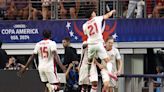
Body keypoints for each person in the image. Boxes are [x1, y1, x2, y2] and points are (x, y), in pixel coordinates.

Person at [82, 8, 116, 92]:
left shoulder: (84, 25)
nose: (95, 13)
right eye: (94, 12)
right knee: (108, 60)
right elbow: (107, 16)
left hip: (91, 44)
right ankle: (110, 72)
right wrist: (111, 12)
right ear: (92, 14)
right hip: (99, 43)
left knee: (89, 61)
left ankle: (89, 73)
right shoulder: (97, 19)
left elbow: (86, 33)